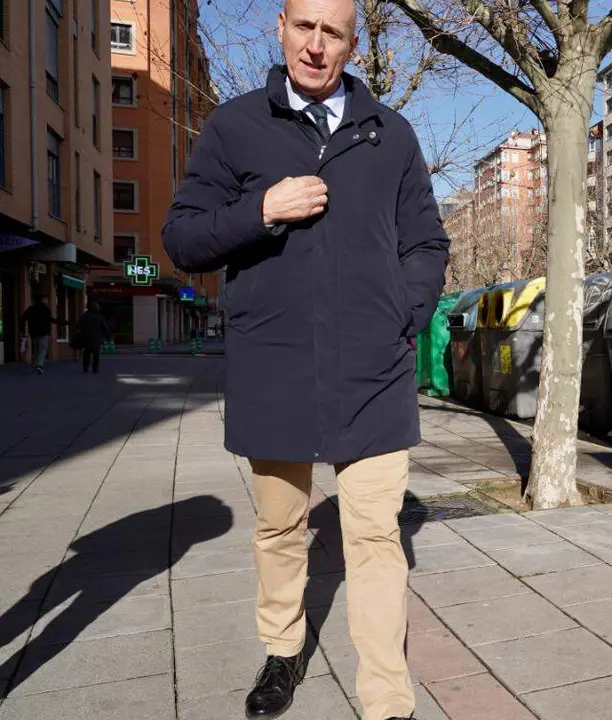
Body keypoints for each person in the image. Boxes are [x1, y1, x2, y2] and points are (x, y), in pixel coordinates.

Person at [160, 0, 449, 717]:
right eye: (304, 27)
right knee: (280, 527)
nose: (316, 46)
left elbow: (426, 242)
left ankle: (386, 693)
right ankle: (283, 649)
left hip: (373, 370)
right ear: (281, 27)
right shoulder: (234, 126)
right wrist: (262, 210)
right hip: (275, 363)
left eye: (333, 33)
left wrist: (403, 318)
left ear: (352, 44)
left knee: (376, 534)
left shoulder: (391, 133)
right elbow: (183, 239)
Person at [19, 295, 65, 374]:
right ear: (42, 299)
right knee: (43, 349)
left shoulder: (31, 308)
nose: (48, 301)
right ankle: (39, 365)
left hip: (33, 332)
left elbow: (23, 319)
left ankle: (37, 364)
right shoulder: (46, 309)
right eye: (46, 299)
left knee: (36, 349)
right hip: (43, 332)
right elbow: (51, 319)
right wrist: (62, 322)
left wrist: (23, 331)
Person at [76, 302, 111, 374]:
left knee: (87, 353)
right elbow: (105, 327)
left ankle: (85, 367)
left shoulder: (85, 316)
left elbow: (78, 325)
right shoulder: (100, 317)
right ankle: (95, 369)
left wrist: (82, 331)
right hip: (96, 338)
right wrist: (108, 336)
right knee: (96, 354)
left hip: (86, 337)